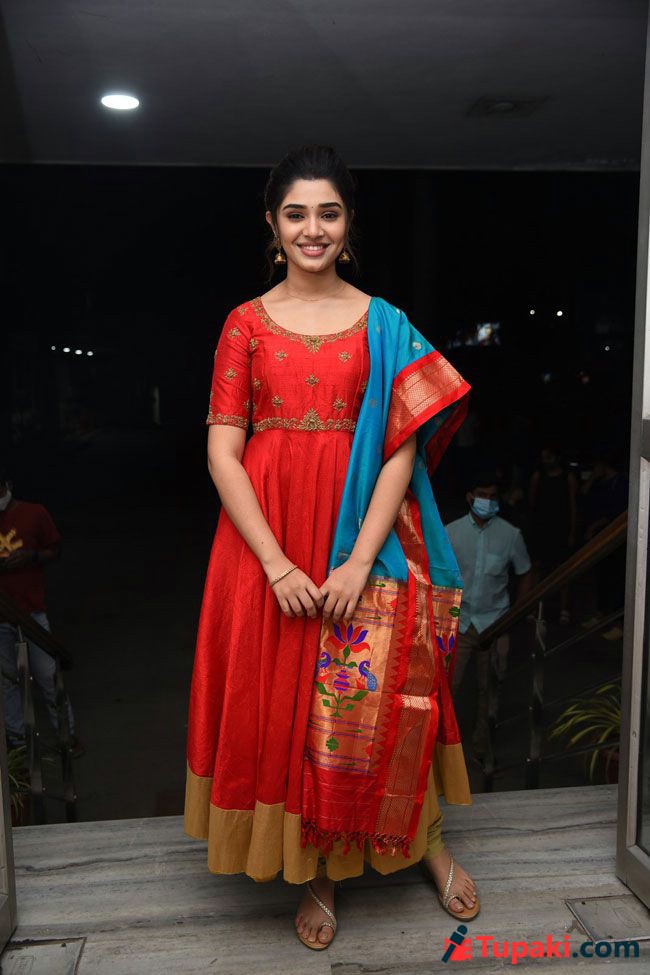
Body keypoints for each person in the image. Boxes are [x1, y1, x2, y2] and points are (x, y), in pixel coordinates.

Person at [183, 144, 480, 950]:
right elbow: (222, 451)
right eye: (295, 214)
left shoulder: (385, 322)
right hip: (267, 541)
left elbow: (400, 450)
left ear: (348, 224)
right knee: (286, 700)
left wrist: (356, 561)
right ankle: (319, 867)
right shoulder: (245, 323)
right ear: (272, 225)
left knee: (389, 691)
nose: (312, 229)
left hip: (365, 539)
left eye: (328, 212)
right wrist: (277, 562)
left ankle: (424, 840)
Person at [445, 469, 532, 758]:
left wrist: (517, 613)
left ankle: (483, 744)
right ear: (470, 497)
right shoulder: (451, 533)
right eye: (482, 495)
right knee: (449, 686)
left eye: (493, 496)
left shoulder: (510, 535)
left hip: (495, 623)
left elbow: (525, 572)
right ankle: (442, 747)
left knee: (491, 687)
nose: (488, 500)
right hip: (459, 622)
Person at [0, 474, 83, 756]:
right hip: (1, 616)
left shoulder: (33, 513)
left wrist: (31, 556)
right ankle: (19, 744)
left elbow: (54, 549)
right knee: (7, 681)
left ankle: (66, 736)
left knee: (48, 675)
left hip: (32, 612)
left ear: (8, 486)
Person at [579, 448, 628, 640]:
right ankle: (601, 615)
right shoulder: (600, 483)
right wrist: (592, 478)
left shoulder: (620, 482)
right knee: (602, 577)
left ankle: (619, 623)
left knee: (617, 579)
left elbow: (616, 512)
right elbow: (584, 495)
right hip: (600, 539)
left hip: (615, 538)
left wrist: (595, 526)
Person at [528, 443, 578, 624]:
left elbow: (573, 505)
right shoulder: (538, 477)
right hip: (541, 528)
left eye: (548, 457)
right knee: (537, 567)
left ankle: (564, 609)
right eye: (543, 458)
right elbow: (532, 505)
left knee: (562, 567)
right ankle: (532, 607)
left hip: (560, 528)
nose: (545, 461)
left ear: (557, 458)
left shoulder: (568, 478)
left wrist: (572, 531)